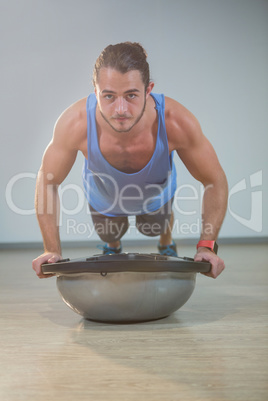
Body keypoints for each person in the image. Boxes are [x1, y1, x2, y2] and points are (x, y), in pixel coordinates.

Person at [32, 42, 228, 280]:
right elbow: (47, 181)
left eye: (131, 95)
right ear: (96, 91)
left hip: (156, 194)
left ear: (148, 90)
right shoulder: (75, 123)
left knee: (153, 227)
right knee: (109, 233)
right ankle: (113, 246)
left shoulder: (175, 122)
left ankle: (166, 241)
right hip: (104, 196)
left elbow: (214, 179)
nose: (121, 109)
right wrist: (51, 249)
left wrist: (206, 246)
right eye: (109, 96)